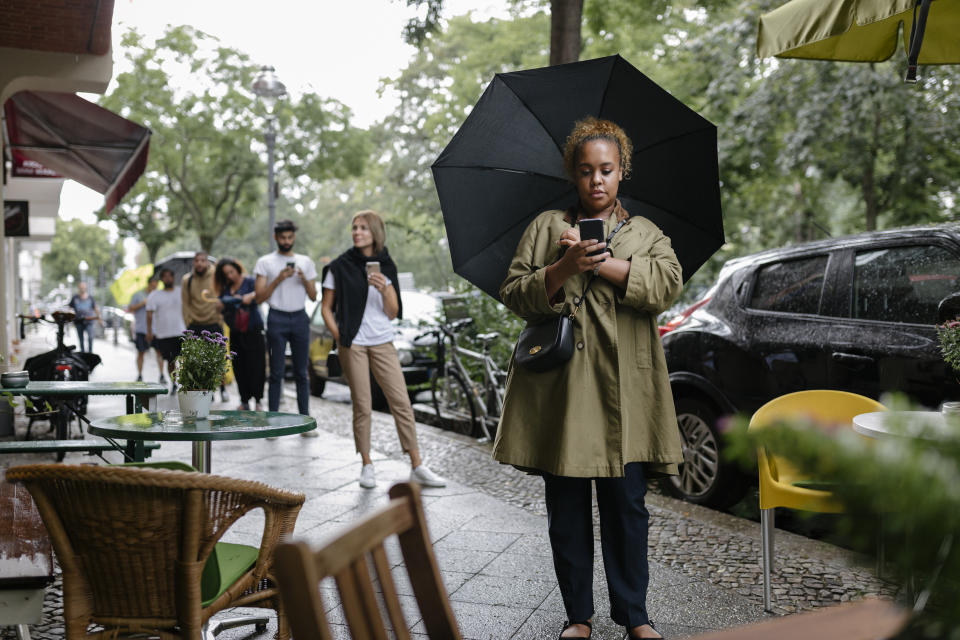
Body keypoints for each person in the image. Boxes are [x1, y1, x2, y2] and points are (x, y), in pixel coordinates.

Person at [492, 117, 683, 640]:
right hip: (564, 388)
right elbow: (513, 291)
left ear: (622, 172)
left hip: (627, 388)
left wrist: (598, 263)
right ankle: (578, 617)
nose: (596, 180)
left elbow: (666, 286)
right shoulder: (548, 226)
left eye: (606, 169)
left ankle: (635, 616)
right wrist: (562, 266)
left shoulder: (647, 234)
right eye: (585, 171)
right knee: (568, 510)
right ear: (573, 176)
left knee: (627, 508)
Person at [321, 210, 446, 489]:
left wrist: (385, 288)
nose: (357, 232)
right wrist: (340, 334)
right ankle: (366, 464)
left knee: (401, 401)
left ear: (375, 232)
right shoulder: (339, 266)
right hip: (353, 342)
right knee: (363, 405)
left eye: (363, 228)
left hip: (383, 340)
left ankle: (416, 465)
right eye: (354, 227)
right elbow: (326, 308)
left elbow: (392, 312)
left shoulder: (386, 265)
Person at [254, 219, 317, 422]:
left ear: (294, 237)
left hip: (300, 317)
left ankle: (305, 420)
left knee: (301, 372)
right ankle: (273, 420)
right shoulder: (265, 262)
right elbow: (259, 297)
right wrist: (279, 278)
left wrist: (304, 279)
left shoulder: (305, 262)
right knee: (276, 372)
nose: (287, 241)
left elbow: (314, 296)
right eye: (283, 237)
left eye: (290, 237)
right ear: (276, 238)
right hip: (277, 317)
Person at [214, 258, 265, 411]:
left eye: (231, 272)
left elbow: (262, 293)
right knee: (239, 366)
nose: (230, 276)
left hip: (253, 329)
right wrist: (220, 305)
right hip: (236, 331)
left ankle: (258, 400)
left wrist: (252, 296)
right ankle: (244, 400)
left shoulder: (249, 281)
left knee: (256, 365)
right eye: (226, 274)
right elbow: (222, 309)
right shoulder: (225, 289)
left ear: (237, 269)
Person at [182, 251, 229, 402]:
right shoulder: (187, 280)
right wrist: (188, 322)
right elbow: (185, 304)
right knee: (199, 362)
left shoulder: (217, 276)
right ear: (193, 263)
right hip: (195, 325)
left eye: (203, 260)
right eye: (197, 261)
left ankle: (222, 388)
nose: (200, 263)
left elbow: (224, 296)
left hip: (214, 323)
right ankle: (208, 391)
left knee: (218, 360)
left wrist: (220, 318)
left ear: (207, 262)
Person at [146, 267, 187, 387]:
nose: (168, 278)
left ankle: (185, 382)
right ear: (162, 279)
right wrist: (149, 331)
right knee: (170, 361)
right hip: (163, 334)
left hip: (181, 331)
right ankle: (174, 383)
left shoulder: (181, 292)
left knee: (185, 359)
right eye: (165, 276)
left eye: (170, 275)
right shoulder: (155, 295)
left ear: (173, 278)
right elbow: (149, 313)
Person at [127, 277, 166, 383]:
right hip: (141, 328)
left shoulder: (158, 296)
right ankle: (139, 375)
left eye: (156, 286)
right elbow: (130, 308)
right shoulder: (138, 295)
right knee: (141, 352)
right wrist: (142, 303)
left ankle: (162, 375)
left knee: (159, 352)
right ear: (148, 284)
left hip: (156, 329)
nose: (154, 288)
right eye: (153, 286)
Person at [67, 281, 101, 352]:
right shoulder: (75, 298)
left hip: (89, 321)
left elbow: (95, 308)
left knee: (90, 337)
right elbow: (70, 308)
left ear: (85, 288)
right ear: (79, 288)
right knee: (81, 339)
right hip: (79, 321)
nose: (82, 289)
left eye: (83, 287)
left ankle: (90, 352)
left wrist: (99, 317)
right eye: (81, 287)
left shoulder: (90, 298)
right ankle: (83, 352)